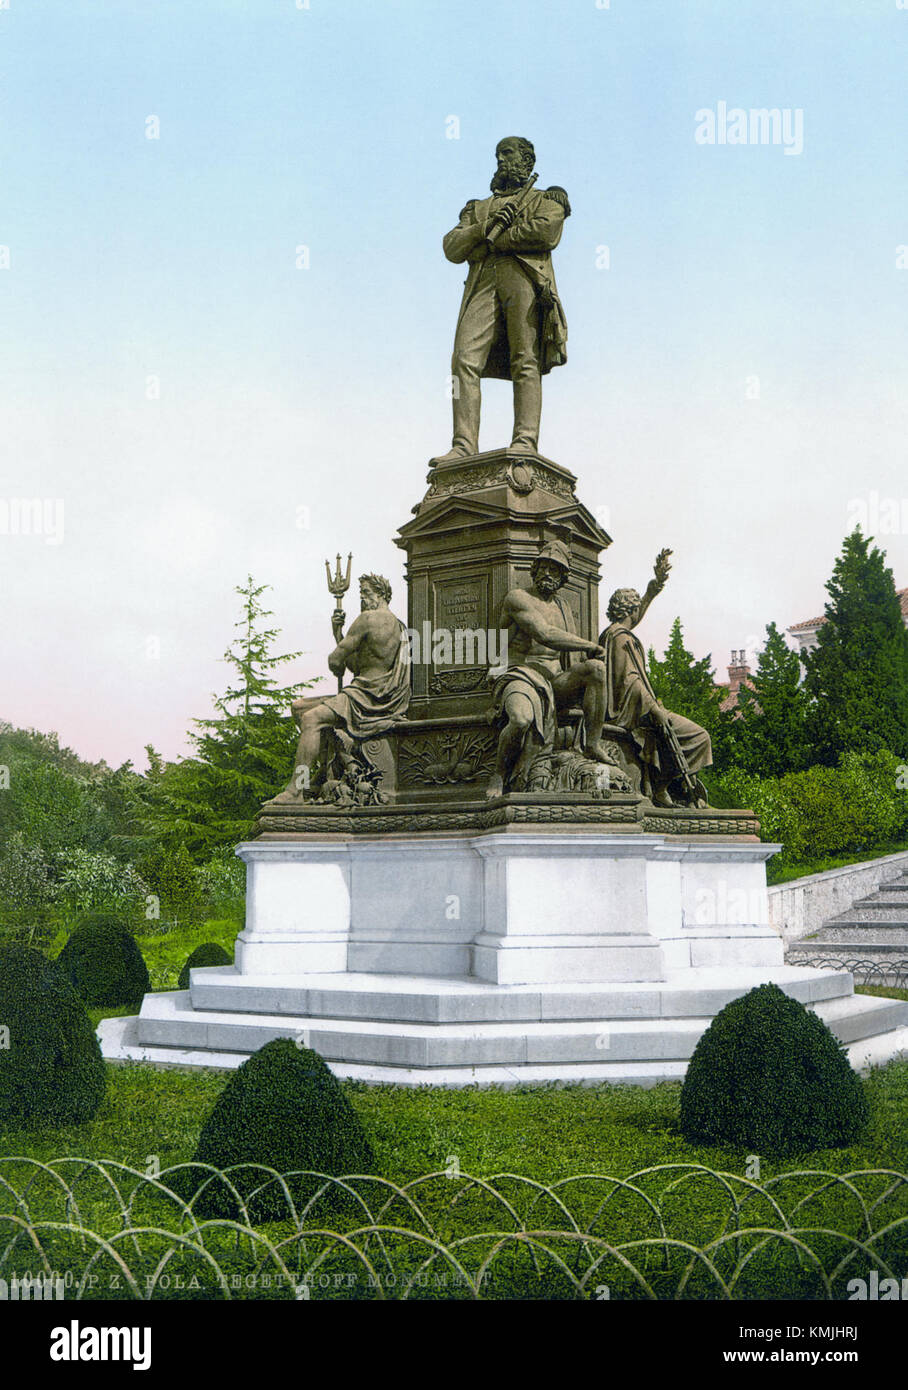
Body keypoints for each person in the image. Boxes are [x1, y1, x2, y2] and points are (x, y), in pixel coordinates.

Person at [434, 136, 569, 462]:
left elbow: (545, 233)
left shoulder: (546, 198)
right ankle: (463, 445)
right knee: (463, 359)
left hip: (524, 277)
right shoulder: (477, 209)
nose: (502, 161)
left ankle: (525, 441)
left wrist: (497, 240)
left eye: (508, 153)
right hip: (483, 282)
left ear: (527, 161)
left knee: (526, 360)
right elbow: (452, 246)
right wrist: (483, 230)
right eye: (498, 155)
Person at [486, 539, 611, 798]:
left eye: (554, 569)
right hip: (521, 674)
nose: (546, 573)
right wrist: (590, 644)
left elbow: (572, 659)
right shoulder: (518, 598)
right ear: (534, 569)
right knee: (520, 720)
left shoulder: (563, 607)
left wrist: (583, 679)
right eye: (542, 567)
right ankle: (498, 773)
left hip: (553, 680)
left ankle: (592, 744)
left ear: (563, 577)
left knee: (597, 669)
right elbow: (543, 633)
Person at [597, 550, 712, 808]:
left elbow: (629, 677)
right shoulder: (622, 638)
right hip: (633, 710)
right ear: (632, 610)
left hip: (635, 706)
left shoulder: (613, 633)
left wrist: (654, 587)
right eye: (638, 607)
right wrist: (654, 709)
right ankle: (667, 787)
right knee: (700, 736)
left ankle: (665, 789)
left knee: (677, 734)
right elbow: (631, 680)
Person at [280, 573, 409, 799]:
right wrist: (338, 633)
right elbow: (359, 666)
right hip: (380, 696)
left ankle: (296, 790)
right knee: (300, 708)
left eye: (366, 594)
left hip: (363, 696)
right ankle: (323, 771)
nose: (362, 599)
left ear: (380, 595)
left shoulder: (367, 619)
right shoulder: (400, 627)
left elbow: (336, 660)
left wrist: (336, 651)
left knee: (310, 719)